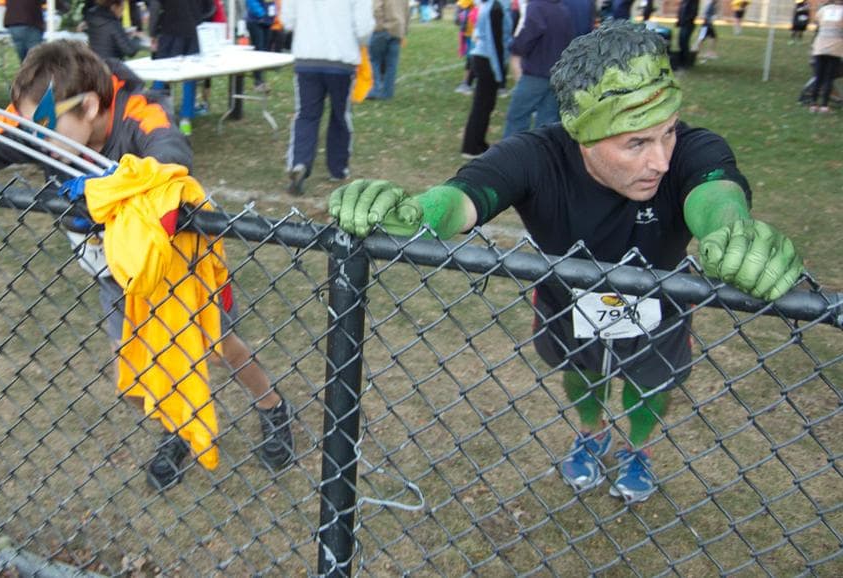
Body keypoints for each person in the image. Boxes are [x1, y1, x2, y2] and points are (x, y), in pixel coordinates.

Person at [329, 20, 804, 504]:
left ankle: (638, 448)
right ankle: (591, 433)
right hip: (566, 301)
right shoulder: (536, 155)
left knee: (651, 382)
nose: (661, 159)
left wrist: (730, 230)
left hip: (660, 302)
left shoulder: (693, 147)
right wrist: (412, 213)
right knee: (582, 371)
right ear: (583, 134)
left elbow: (715, 192)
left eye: (666, 133)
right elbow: (459, 201)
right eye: (636, 143)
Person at [0, 40, 296, 491]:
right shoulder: (43, 121)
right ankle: (177, 426)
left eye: (43, 128)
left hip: (173, 266)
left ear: (89, 105)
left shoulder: (141, 111)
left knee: (218, 346)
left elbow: (171, 153)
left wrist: (115, 186)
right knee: (137, 364)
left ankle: (271, 405)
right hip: (114, 272)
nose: (32, 138)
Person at [282, 0, 374, 196]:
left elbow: (287, 20)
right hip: (341, 59)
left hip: (307, 58)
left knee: (306, 115)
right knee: (340, 115)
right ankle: (338, 168)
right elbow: (364, 27)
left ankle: (299, 162)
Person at [502, 0, 574, 137]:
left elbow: (528, 36)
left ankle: (512, 154)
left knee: (517, 116)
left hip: (536, 73)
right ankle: (541, 155)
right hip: (557, 74)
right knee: (547, 121)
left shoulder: (537, 7)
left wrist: (514, 46)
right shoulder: (562, 9)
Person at [148, 0, 214, 135]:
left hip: (170, 31)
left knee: (161, 72)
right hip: (193, 31)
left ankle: (151, 115)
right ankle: (186, 120)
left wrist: (153, 32)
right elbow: (210, 8)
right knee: (189, 77)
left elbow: (155, 8)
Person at [460, 0, 510, 158]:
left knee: (486, 104)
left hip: (485, 58)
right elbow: (496, 43)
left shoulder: (493, 5)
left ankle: (479, 142)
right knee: (482, 104)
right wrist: (499, 71)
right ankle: (471, 147)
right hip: (488, 59)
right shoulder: (495, 7)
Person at [365, 0, 410, 100]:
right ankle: (387, 92)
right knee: (391, 64)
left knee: (374, 60)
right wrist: (404, 30)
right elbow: (407, 12)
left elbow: (376, 9)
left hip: (382, 30)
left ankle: (375, 89)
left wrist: (379, 25)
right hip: (398, 30)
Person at [810, 0, 842, 113]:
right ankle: (824, 106)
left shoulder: (823, 9)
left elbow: (817, 22)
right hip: (835, 48)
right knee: (829, 78)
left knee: (818, 76)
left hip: (820, 46)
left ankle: (813, 104)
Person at [245, 0, 275, 91]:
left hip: (267, 21)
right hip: (255, 21)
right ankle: (258, 82)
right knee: (258, 51)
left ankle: (262, 81)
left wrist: (272, 15)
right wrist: (262, 14)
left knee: (264, 52)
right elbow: (251, 2)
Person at [675, 0, 699, 69]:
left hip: (688, 24)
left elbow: (693, 13)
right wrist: (679, 21)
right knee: (681, 42)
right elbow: (681, 11)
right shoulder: (684, 1)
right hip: (683, 24)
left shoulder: (693, 1)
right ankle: (682, 61)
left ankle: (686, 63)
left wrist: (686, 20)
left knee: (684, 43)